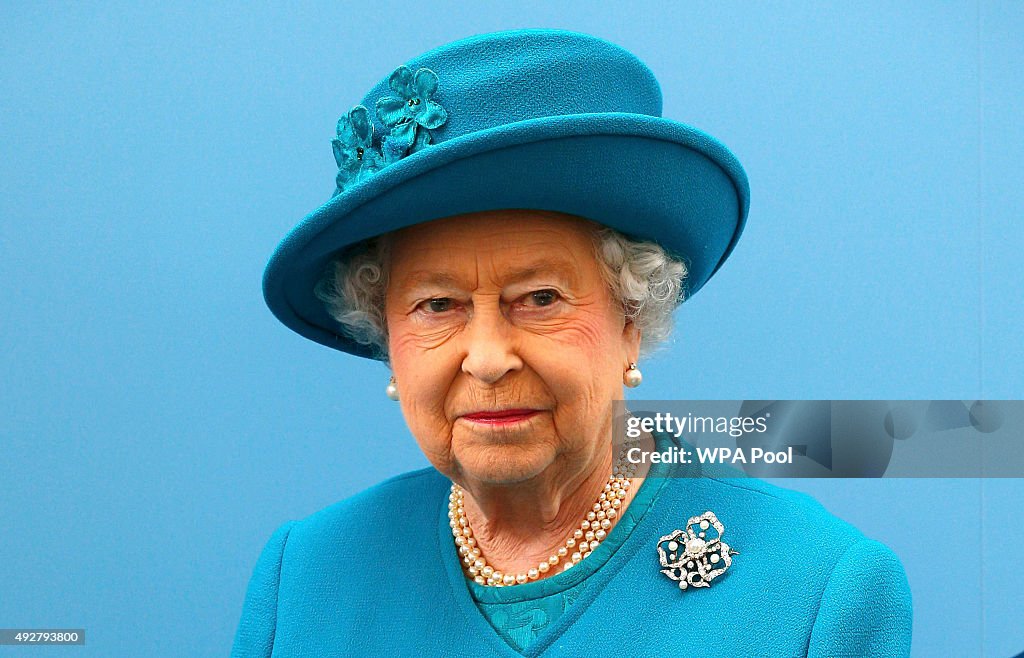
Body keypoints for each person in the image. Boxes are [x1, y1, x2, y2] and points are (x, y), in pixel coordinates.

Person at [232, 29, 912, 657]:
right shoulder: (306, 578)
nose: (490, 358)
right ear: (388, 338)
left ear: (630, 321)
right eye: (437, 305)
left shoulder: (818, 594)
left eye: (539, 299)